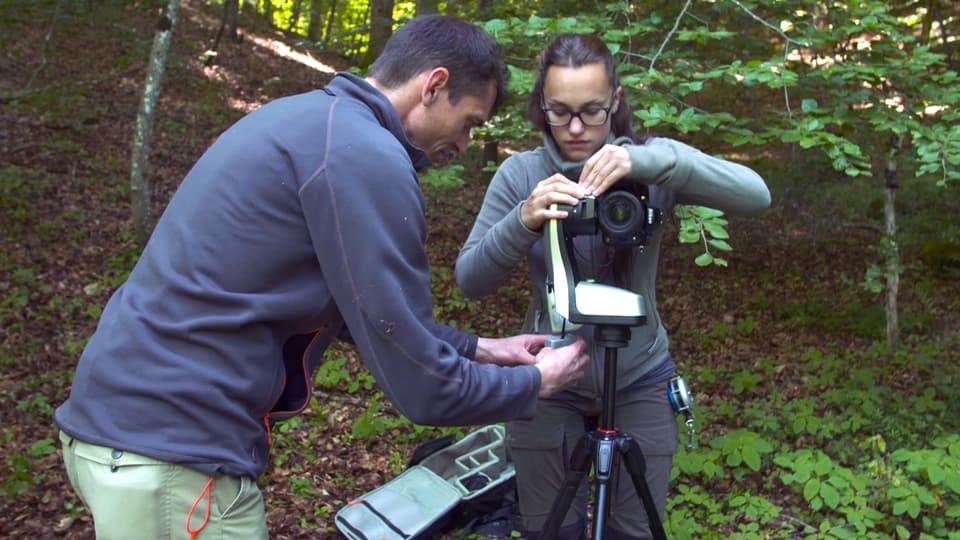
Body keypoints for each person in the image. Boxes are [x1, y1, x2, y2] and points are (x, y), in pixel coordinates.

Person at [53, 16, 591, 539]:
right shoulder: (365, 156)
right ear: (435, 85)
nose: (466, 144)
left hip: (124, 433)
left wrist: (481, 348)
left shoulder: (309, 121)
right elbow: (422, 387)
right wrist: (535, 383)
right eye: (470, 122)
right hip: (172, 456)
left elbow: (365, 315)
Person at [455, 33, 771, 539]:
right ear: (541, 105)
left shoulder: (651, 165)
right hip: (549, 378)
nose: (576, 128)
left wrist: (645, 161)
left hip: (639, 375)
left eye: (593, 111)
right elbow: (470, 280)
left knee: (636, 531)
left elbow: (756, 195)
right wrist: (525, 219)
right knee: (548, 529)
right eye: (559, 112)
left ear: (616, 101)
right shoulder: (524, 173)